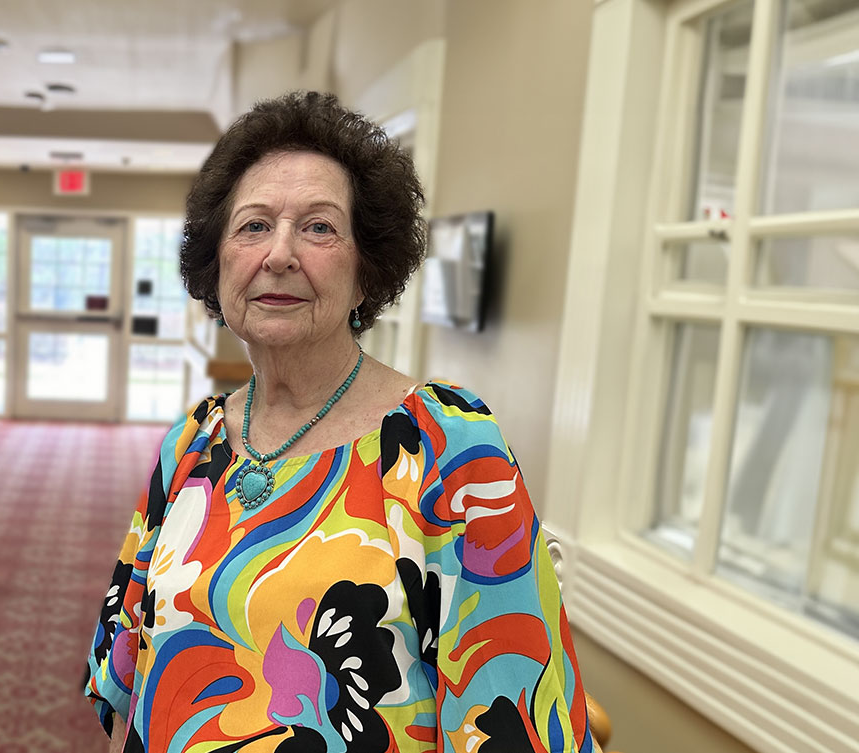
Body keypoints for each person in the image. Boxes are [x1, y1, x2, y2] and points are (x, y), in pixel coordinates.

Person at [84, 92, 596, 753]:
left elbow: (514, 716)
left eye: (319, 227)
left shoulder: (448, 448)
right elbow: (129, 665)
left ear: (366, 272)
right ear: (218, 265)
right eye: (253, 226)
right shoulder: (193, 439)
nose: (279, 254)